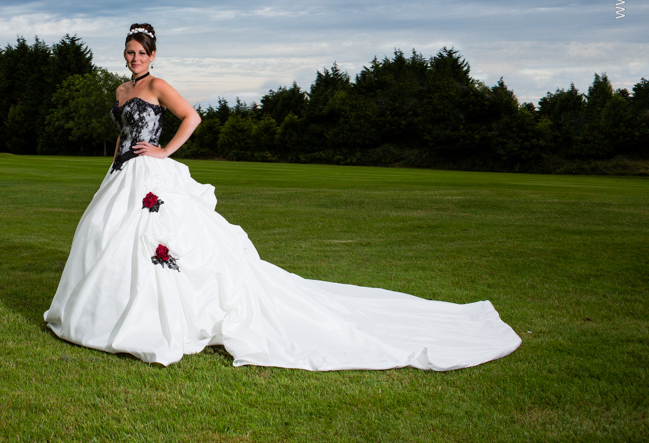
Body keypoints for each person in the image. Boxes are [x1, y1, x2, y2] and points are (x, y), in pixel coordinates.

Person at [43, 23, 521, 371]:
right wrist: (112, 167)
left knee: (159, 244)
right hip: (122, 174)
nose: (133, 59)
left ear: (152, 54)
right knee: (110, 241)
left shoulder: (157, 86)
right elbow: (120, 134)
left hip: (152, 172)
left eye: (140, 53)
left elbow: (193, 118)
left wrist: (164, 152)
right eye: (128, 52)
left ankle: (159, 319)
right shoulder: (122, 89)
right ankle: (106, 315)